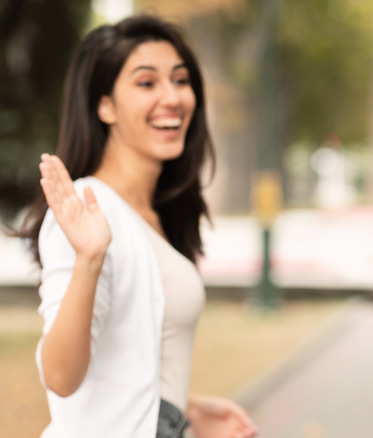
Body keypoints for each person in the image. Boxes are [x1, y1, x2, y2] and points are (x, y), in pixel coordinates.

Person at [16, 15, 258, 438]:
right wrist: (89, 260)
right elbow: (60, 376)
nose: (173, 97)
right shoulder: (87, 210)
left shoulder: (151, 215)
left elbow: (125, 364)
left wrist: (188, 412)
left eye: (180, 80)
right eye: (146, 83)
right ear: (104, 104)